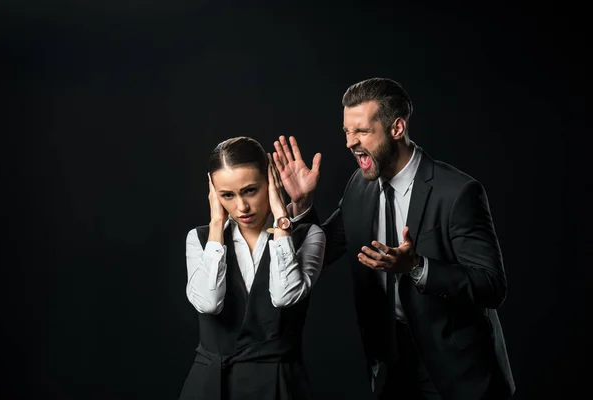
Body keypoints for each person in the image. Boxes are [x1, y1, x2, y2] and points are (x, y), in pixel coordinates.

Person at [272, 78, 515, 399]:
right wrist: (301, 205)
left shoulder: (457, 193)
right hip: (391, 366)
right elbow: (324, 250)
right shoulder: (358, 186)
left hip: (458, 370)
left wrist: (418, 266)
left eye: (361, 131)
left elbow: (491, 287)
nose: (349, 142)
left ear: (397, 128)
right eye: (347, 131)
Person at [179, 136, 326, 400]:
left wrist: (281, 215)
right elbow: (209, 303)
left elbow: (285, 296)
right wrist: (216, 223)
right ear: (214, 194)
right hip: (211, 385)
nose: (241, 207)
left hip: (279, 384)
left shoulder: (308, 235)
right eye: (227, 195)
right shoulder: (199, 239)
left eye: (250, 190)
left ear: (271, 183)